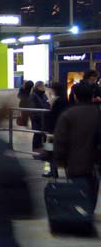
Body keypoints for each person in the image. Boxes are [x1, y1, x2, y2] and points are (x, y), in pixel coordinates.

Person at [53, 81, 101, 211]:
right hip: (95, 162)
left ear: (75, 96)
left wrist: (58, 160)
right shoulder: (97, 112)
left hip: (75, 162)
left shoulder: (68, 115)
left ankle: (81, 214)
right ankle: (89, 212)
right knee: (92, 188)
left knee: (77, 191)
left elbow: (60, 140)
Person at [44, 81, 69, 177]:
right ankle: (55, 170)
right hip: (59, 130)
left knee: (50, 150)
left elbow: (53, 116)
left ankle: (53, 171)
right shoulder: (64, 100)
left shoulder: (57, 101)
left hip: (53, 130)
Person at [30, 81, 49, 152]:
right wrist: (40, 116)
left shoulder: (44, 95)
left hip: (44, 118)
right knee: (37, 135)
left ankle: (44, 151)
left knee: (44, 135)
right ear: (38, 87)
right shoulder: (33, 96)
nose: (44, 87)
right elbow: (33, 109)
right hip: (37, 119)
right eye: (43, 86)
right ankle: (36, 151)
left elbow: (47, 104)